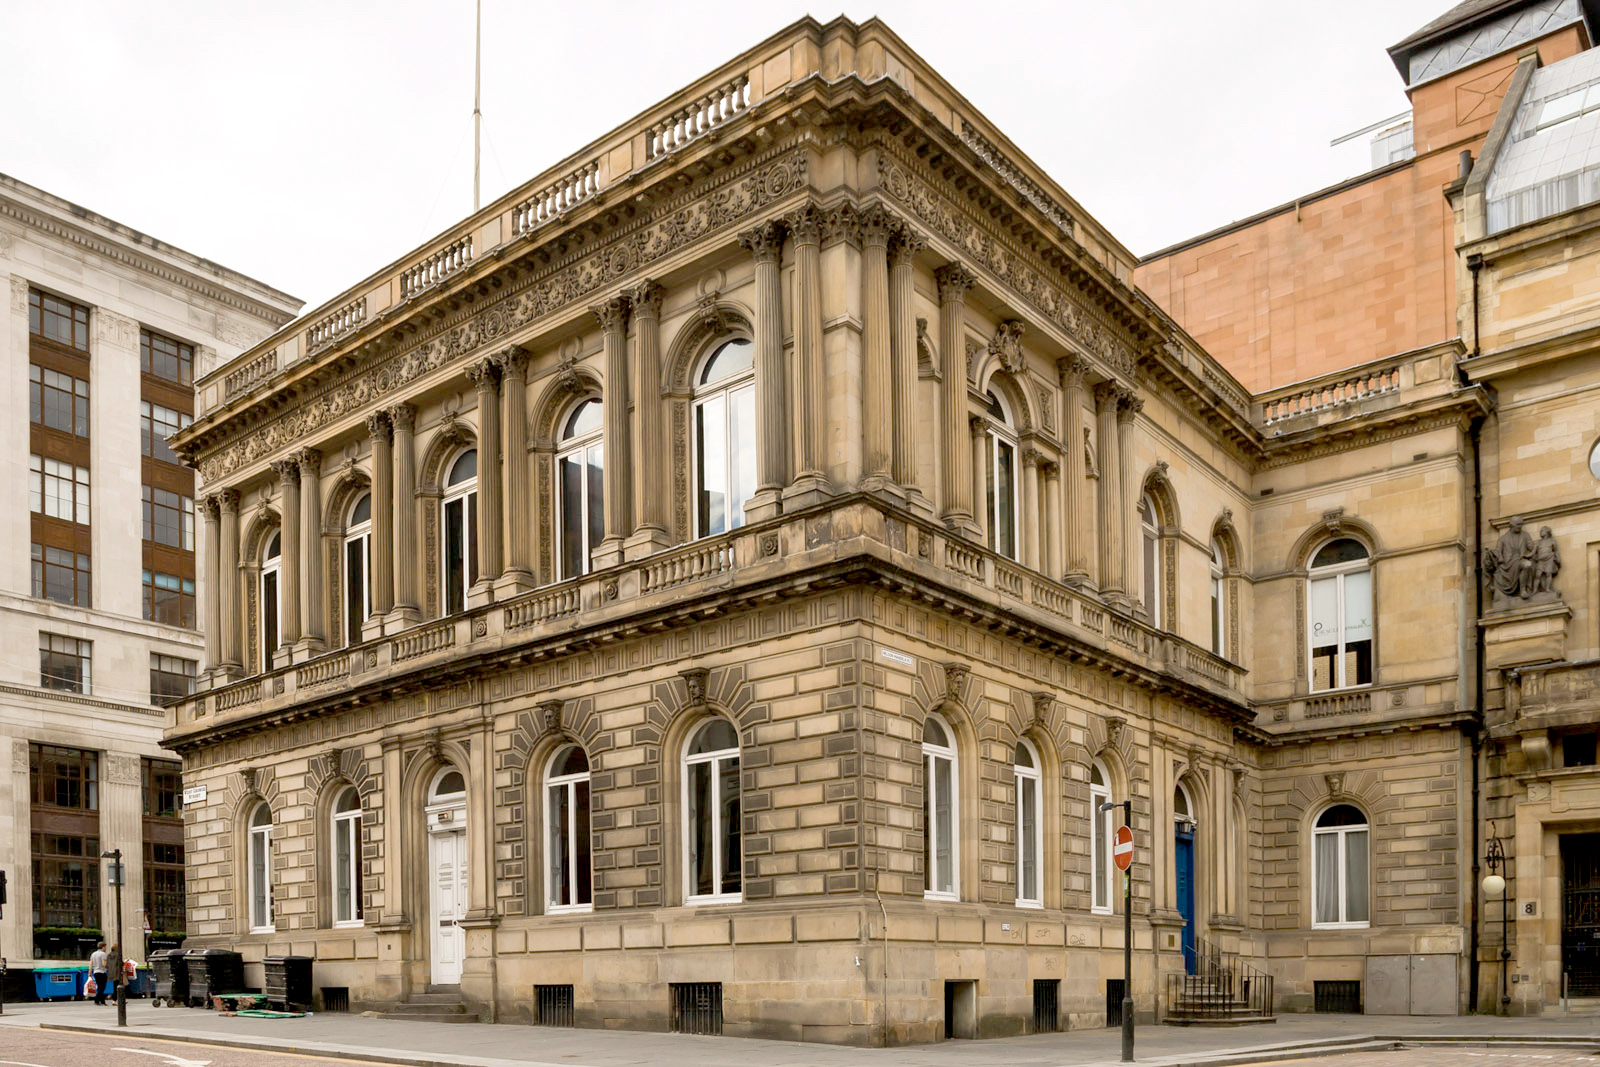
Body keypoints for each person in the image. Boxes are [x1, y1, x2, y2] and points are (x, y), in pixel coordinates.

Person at [88, 941, 108, 1005]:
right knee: (102, 987)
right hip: (102, 972)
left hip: (96, 972)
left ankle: (102, 1001)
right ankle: (97, 999)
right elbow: (104, 964)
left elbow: (91, 964)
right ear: (103, 947)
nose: (105, 949)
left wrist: (90, 972)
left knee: (99, 986)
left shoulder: (93, 954)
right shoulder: (103, 954)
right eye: (105, 947)